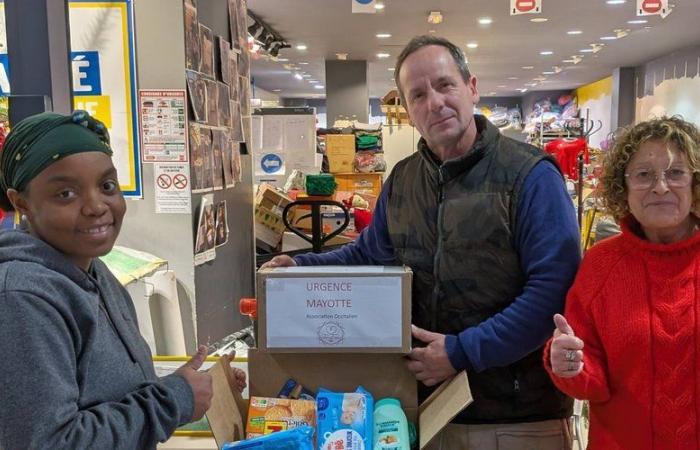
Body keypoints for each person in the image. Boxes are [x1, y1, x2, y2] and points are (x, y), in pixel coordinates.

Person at [264, 35, 580, 449]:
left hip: (515, 416)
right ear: (407, 110)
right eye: (418, 94)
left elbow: (553, 292)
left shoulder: (530, 176)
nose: (434, 102)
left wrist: (462, 351)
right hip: (425, 411)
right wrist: (302, 267)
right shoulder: (404, 178)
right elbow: (370, 253)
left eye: (445, 85)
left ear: (472, 88)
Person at [0, 111, 245, 449]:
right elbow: (49, 443)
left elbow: (105, 394)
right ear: (21, 202)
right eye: (66, 194)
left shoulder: (93, 270)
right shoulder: (22, 298)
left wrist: (190, 387)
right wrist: (174, 399)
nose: (96, 206)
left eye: (107, 186)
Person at [546, 116, 700, 450]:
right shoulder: (602, 265)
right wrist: (568, 364)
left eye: (675, 173)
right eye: (644, 175)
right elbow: (591, 378)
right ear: (623, 187)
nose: (661, 187)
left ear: (695, 183)